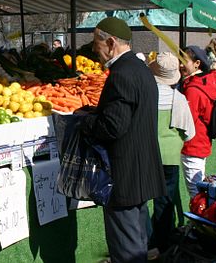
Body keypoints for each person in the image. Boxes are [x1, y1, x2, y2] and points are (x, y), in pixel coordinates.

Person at [78, 17, 165, 263]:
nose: (94, 48)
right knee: (136, 242)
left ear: (111, 42)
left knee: (126, 248)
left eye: (97, 42)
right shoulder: (142, 70)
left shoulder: (122, 74)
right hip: (140, 170)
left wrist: (84, 122)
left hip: (124, 172)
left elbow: (113, 126)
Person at [147, 53, 195, 255]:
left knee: (142, 200)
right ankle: (162, 242)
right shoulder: (179, 98)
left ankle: (147, 241)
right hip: (170, 158)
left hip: (147, 154)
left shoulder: (146, 95)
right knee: (164, 201)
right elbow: (189, 133)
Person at [178, 46, 216, 198]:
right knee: (198, 185)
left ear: (197, 64)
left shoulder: (193, 89)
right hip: (202, 140)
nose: (180, 65)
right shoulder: (205, 82)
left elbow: (188, 120)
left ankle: (201, 220)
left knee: (195, 190)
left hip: (193, 143)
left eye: (184, 62)